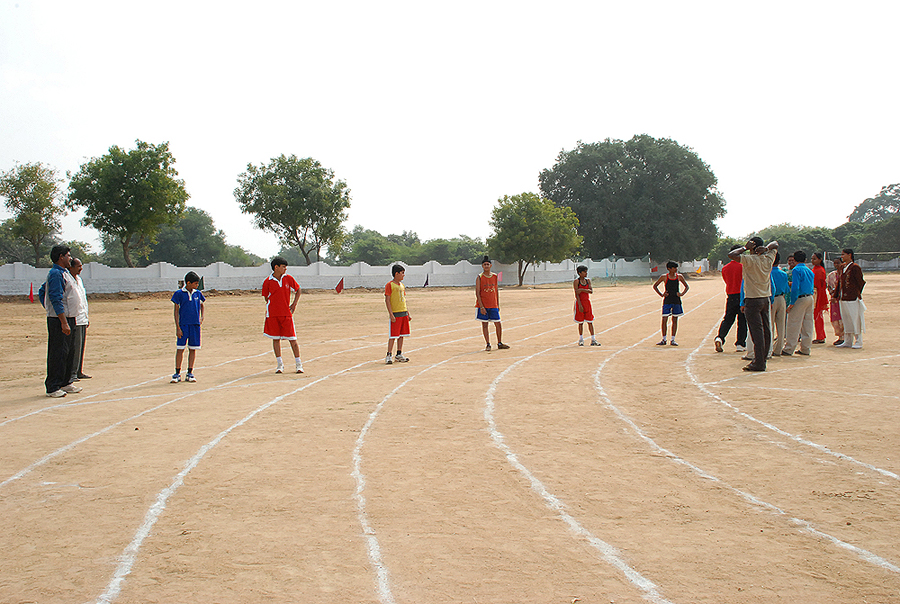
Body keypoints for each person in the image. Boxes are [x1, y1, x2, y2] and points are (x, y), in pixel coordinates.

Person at [728, 237, 778, 371]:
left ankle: (759, 362)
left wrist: (745, 248)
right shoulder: (768, 258)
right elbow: (775, 244)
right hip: (765, 298)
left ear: (752, 247)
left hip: (752, 298)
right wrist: (767, 248)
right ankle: (763, 358)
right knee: (766, 330)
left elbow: (732, 255)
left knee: (757, 332)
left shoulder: (749, 260)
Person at [40, 245, 81, 397]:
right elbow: (53, 297)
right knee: (58, 352)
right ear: (61, 257)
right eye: (68, 255)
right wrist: (61, 319)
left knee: (69, 352)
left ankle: (66, 381)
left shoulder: (66, 273)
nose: (70, 258)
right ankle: (53, 386)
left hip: (71, 318)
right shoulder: (56, 274)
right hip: (59, 320)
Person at [262, 257, 303, 373]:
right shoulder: (267, 282)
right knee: (275, 339)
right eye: (283, 267)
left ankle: (298, 364)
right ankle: (280, 364)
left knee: (292, 339)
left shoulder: (289, 279)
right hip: (273, 315)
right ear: (276, 267)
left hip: (286, 314)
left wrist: (294, 304)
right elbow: (266, 297)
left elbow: (298, 289)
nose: (285, 269)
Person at [171, 271, 205, 383]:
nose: (196, 286)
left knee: (193, 349)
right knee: (180, 349)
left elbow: (202, 305)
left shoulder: (197, 293)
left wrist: (201, 317)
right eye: (195, 283)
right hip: (183, 325)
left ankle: (190, 372)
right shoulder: (179, 294)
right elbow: (176, 311)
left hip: (195, 326)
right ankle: (177, 373)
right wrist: (178, 327)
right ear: (188, 283)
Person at [714, 245, 747, 353]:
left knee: (728, 319)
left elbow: (726, 281)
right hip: (742, 295)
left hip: (731, 295)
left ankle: (720, 337)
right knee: (742, 320)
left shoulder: (725, 268)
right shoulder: (743, 266)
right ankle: (740, 344)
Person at [782, 250, 814, 356]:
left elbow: (795, 287)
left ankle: (789, 348)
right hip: (809, 296)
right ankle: (806, 348)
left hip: (800, 298)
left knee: (793, 323)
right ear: (805, 259)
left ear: (794, 259)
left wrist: (792, 302)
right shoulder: (809, 270)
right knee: (807, 324)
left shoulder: (796, 270)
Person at [476, 256, 509, 351]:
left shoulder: (494, 276)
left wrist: (497, 304)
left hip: (493, 304)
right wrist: (481, 306)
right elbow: (477, 292)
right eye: (484, 264)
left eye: (488, 264)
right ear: (482, 266)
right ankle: (488, 344)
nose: (486, 266)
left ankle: (499, 342)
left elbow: (496, 290)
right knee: (485, 325)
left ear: (490, 265)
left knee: (498, 323)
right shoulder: (480, 277)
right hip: (483, 305)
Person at [66, 258, 91, 382]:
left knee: (81, 347)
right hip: (73, 318)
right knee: (74, 348)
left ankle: (79, 371)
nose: (81, 269)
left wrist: (86, 316)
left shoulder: (79, 280)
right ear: (71, 267)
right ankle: (72, 374)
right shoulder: (66, 279)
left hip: (82, 317)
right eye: (78, 266)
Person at [652, 261, 688, 346]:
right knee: (664, 319)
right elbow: (655, 286)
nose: (676, 269)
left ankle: (672, 339)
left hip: (676, 300)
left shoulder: (679, 277)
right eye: (674, 268)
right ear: (669, 269)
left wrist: (681, 294)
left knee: (674, 320)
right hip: (667, 300)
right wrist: (661, 294)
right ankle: (664, 339)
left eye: (676, 268)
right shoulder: (664, 277)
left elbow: (686, 286)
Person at [837, 248, 866, 349]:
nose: (842, 257)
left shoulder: (855, 267)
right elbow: (839, 283)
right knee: (846, 319)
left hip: (853, 298)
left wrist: (856, 293)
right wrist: (836, 295)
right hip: (843, 297)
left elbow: (860, 282)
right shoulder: (842, 267)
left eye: (843, 254)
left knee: (855, 319)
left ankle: (858, 340)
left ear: (849, 255)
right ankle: (848, 340)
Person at [385, 264, 411, 364]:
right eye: (402, 273)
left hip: (403, 313)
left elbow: (404, 300)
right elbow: (387, 300)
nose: (403, 275)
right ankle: (389, 354)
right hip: (396, 314)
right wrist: (391, 314)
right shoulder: (390, 285)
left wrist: (407, 313)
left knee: (402, 335)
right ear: (396, 273)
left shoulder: (402, 286)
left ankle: (399, 354)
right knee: (393, 335)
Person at [770, 252, 790, 356]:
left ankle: (769, 348)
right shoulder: (783, 274)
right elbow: (786, 289)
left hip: (771, 299)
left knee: (770, 324)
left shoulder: (768, 273)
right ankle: (778, 348)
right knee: (781, 325)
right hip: (781, 298)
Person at [573, 265, 599, 346]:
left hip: (587, 302)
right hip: (580, 302)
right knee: (580, 322)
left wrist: (582, 290)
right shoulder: (576, 281)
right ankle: (581, 339)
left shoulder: (588, 281)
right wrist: (580, 305)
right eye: (584, 272)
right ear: (580, 273)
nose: (586, 273)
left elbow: (591, 291)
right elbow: (576, 293)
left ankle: (593, 339)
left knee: (590, 321)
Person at [810, 252, 828, 344]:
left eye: (814, 259)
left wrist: (820, 299)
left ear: (820, 260)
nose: (812, 260)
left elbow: (821, 286)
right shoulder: (815, 269)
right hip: (815, 293)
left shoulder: (820, 270)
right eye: (812, 258)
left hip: (817, 295)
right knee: (817, 316)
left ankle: (820, 336)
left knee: (818, 316)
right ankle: (821, 335)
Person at [826, 258, 844, 346]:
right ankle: (839, 336)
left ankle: (844, 337)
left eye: (838, 263)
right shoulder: (831, 275)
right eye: (835, 263)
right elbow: (828, 286)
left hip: (842, 299)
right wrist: (832, 293)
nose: (836, 265)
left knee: (843, 318)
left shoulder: (844, 274)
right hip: (834, 300)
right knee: (835, 318)